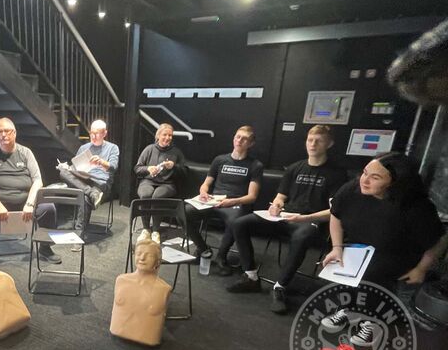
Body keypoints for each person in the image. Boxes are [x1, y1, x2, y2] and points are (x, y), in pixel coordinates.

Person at [320, 152, 444, 346]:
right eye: (364, 172)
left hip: (398, 256)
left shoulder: (416, 207)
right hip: (359, 250)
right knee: (345, 278)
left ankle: (374, 322)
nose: (365, 180)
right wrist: (336, 247)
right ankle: (348, 310)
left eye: (375, 177)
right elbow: (336, 215)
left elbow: (438, 240)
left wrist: (422, 268)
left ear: (394, 182)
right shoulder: (353, 189)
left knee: (375, 284)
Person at [225, 125, 347, 311]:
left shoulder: (336, 174)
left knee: (302, 236)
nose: (312, 144)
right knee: (239, 223)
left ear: (329, 144)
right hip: (284, 217)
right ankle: (250, 276)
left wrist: (305, 218)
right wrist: (276, 205)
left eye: (318, 141)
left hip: (311, 222)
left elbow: (334, 211)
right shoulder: (294, 168)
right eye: (309, 140)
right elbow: (281, 196)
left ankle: (280, 286)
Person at [0, 117, 60, 263]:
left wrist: (30, 203)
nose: (3, 135)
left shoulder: (26, 153)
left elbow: (38, 181)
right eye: (0, 132)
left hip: (25, 199)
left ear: (14, 133)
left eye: (7, 131)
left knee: (48, 208)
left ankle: (45, 248)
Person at [185, 125, 264, 273]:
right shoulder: (220, 159)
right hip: (214, 200)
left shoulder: (255, 165)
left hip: (235, 203)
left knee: (236, 221)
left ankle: (221, 256)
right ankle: (203, 249)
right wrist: (203, 192)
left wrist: (232, 201)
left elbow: (252, 197)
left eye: (244, 138)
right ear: (234, 138)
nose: (239, 140)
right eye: (237, 137)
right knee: (184, 212)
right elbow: (206, 184)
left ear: (251, 144)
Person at [58, 119, 119, 239]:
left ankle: (78, 235)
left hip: (100, 183)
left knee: (84, 197)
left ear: (104, 133)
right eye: (91, 133)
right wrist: (67, 167)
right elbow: (75, 167)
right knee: (63, 172)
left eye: (97, 133)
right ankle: (91, 193)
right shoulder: (84, 148)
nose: (93, 136)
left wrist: (101, 162)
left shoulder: (112, 148)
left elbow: (113, 167)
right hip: (84, 180)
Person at [109, 240, 171, 346]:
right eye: (138, 254)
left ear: (158, 261)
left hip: (149, 341)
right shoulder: (121, 280)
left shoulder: (164, 289)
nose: (142, 258)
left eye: (149, 255)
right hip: (117, 332)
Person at [134, 123, 186, 243]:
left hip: (168, 184)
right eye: (165, 135)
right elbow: (137, 168)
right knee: (146, 195)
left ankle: (156, 230)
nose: (168, 138)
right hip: (148, 181)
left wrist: (174, 166)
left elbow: (184, 171)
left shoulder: (176, 152)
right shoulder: (149, 149)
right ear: (158, 135)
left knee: (157, 196)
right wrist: (148, 169)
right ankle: (146, 229)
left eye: (170, 135)